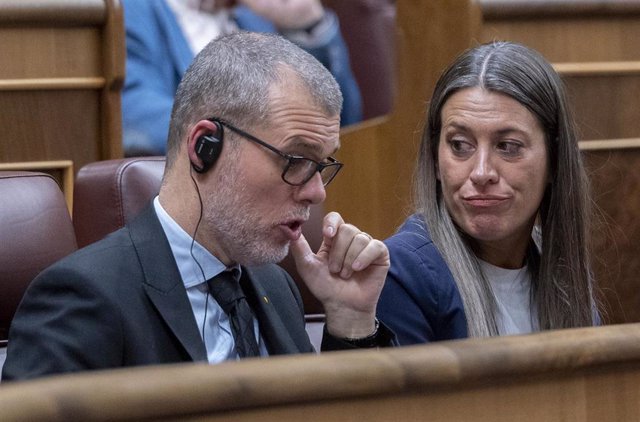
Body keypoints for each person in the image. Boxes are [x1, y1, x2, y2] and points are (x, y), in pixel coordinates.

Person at [2, 32, 393, 381]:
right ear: (205, 146)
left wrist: (350, 321)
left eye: (322, 165)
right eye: (295, 160)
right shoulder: (84, 297)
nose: (316, 192)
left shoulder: (276, 286)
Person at [377, 41, 600, 345]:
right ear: (436, 160)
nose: (481, 172)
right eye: (460, 145)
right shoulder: (402, 274)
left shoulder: (561, 268)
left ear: (555, 161)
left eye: (508, 146)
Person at [122, 0, 362, 156]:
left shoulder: (255, 17)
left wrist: (306, 24)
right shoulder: (129, 10)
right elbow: (136, 116)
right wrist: (259, 143)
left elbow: (344, 123)